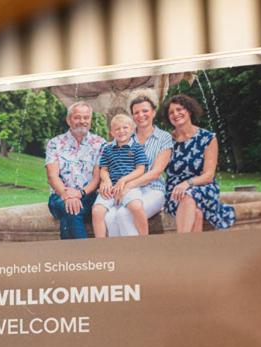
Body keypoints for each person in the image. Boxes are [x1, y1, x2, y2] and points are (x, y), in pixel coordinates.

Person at [162, 94, 236, 233]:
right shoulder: (166, 141)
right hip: (174, 192)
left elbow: (208, 175)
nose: (175, 114)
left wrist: (187, 184)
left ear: (189, 110)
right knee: (196, 213)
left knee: (188, 195)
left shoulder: (207, 138)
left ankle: (181, 247)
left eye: (179, 109)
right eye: (171, 112)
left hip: (202, 187)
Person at [108, 89, 174, 237]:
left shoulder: (164, 138)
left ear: (153, 112)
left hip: (153, 190)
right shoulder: (125, 136)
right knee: (109, 217)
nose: (140, 116)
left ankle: (139, 255)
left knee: (123, 215)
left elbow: (156, 172)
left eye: (145, 111)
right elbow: (110, 161)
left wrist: (129, 185)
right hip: (127, 191)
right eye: (136, 112)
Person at [45, 102, 106, 239]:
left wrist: (80, 193)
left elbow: (97, 178)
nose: (82, 121)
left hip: (88, 196)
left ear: (90, 120)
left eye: (86, 117)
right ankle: (85, 256)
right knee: (71, 208)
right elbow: (52, 176)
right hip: (59, 196)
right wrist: (66, 195)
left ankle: (71, 257)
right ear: (68, 120)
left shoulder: (99, 143)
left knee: (70, 213)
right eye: (77, 117)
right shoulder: (55, 143)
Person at [92, 114, 147, 237]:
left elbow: (140, 169)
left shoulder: (137, 148)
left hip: (129, 187)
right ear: (112, 132)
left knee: (137, 207)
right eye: (117, 129)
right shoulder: (107, 149)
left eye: (125, 127)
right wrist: (106, 181)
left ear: (132, 129)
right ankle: (100, 246)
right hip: (110, 188)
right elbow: (104, 169)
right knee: (97, 211)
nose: (121, 131)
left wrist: (124, 180)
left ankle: (145, 239)